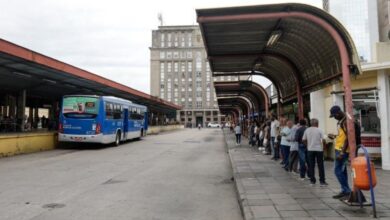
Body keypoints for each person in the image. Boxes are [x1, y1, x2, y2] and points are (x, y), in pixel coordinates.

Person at [328, 105, 361, 199]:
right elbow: (343, 136)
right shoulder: (342, 121)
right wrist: (335, 136)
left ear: (338, 113)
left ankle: (346, 190)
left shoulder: (346, 121)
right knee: (343, 171)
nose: (334, 118)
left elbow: (348, 137)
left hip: (342, 150)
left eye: (334, 116)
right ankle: (344, 190)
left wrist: (342, 152)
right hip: (339, 148)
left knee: (337, 170)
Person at [303, 118, 328, 186]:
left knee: (311, 165)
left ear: (311, 123)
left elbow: (304, 140)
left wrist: (307, 146)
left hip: (310, 150)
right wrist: (324, 147)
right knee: (320, 165)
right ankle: (322, 182)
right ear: (317, 123)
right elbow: (324, 140)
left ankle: (312, 181)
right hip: (319, 150)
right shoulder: (319, 130)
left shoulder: (307, 130)